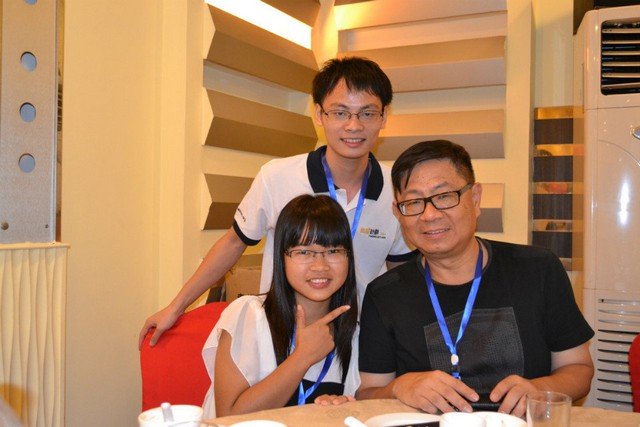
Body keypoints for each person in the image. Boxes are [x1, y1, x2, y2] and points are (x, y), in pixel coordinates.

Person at [139, 56, 414, 347]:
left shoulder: (397, 189)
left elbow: (398, 275)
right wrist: (176, 307)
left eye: (367, 113)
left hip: (357, 344)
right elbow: (233, 243)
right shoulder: (277, 176)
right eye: (340, 112)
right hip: (281, 338)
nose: (354, 125)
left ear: (384, 117)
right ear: (319, 114)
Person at [356, 140, 594, 417]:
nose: (429, 215)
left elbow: (579, 369)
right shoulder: (385, 294)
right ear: (398, 213)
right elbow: (368, 393)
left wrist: (540, 389)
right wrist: (401, 386)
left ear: (476, 198)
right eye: (414, 202)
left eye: (444, 196)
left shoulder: (538, 269)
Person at [201, 194, 359, 418]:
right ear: (281, 257)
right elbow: (229, 418)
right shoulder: (249, 315)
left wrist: (341, 408)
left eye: (333, 251)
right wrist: (302, 357)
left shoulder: (354, 334)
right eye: (303, 252)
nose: (320, 266)